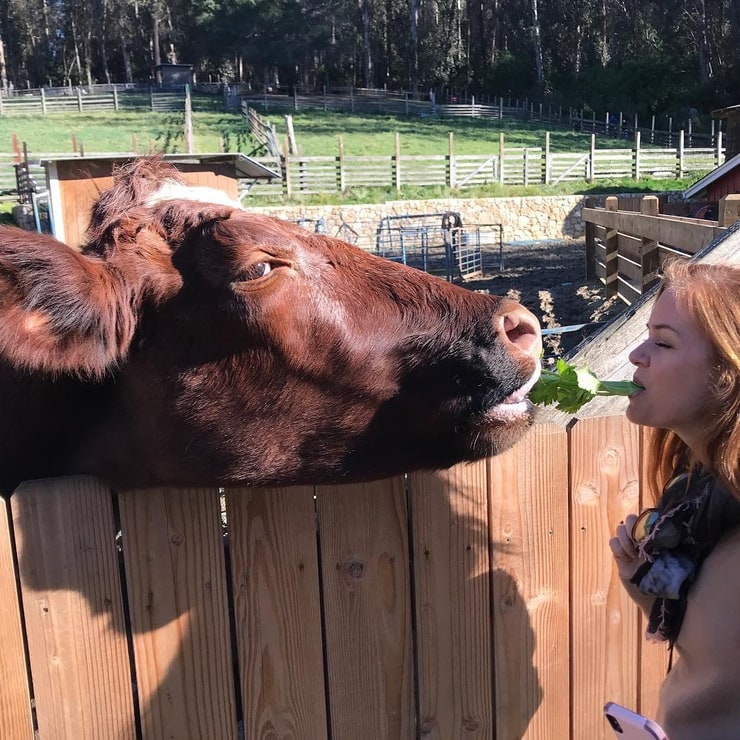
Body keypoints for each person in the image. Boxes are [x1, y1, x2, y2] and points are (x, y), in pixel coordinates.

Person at [609, 259, 740, 740]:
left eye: (662, 342)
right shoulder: (693, 503)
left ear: (727, 372)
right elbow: (716, 661)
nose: (637, 356)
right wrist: (644, 588)